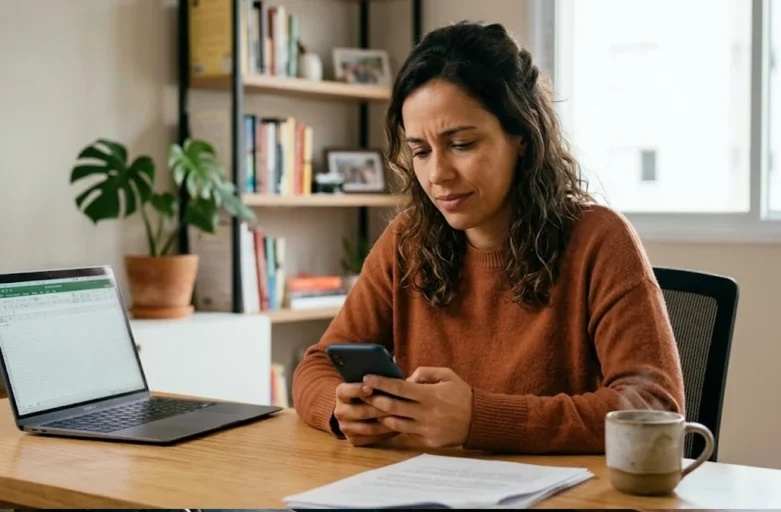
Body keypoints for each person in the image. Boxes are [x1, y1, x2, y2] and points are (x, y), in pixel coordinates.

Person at [292, 21, 685, 454]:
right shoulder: (407, 242)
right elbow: (316, 367)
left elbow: (653, 405)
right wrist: (340, 408)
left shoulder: (599, 240)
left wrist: (479, 418)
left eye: (461, 144)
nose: (437, 174)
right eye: (420, 151)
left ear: (522, 135)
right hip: (429, 483)